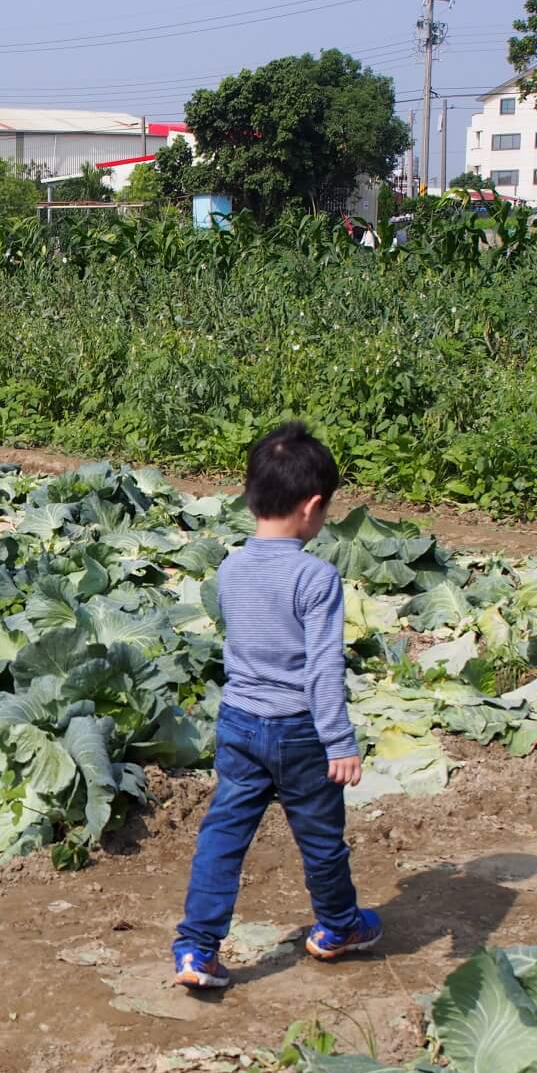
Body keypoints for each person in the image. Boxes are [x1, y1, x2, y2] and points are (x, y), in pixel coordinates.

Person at [172, 423, 381, 989]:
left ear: (250, 496)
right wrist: (339, 742)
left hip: (237, 722)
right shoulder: (316, 576)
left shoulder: (231, 567)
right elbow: (321, 669)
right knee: (319, 839)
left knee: (223, 835)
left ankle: (196, 949)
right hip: (299, 733)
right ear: (314, 507)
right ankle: (338, 927)